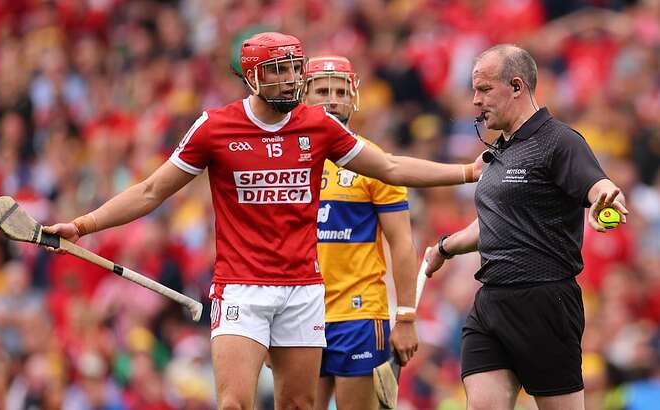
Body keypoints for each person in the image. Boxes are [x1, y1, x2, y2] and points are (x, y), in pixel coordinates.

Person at [45, 32, 483, 410]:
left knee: (297, 404)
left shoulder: (317, 126)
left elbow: (389, 167)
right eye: (279, 71)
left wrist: (466, 171)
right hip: (241, 288)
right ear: (253, 77)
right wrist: (83, 225)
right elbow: (150, 191)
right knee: (234, 402)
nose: (292, 79)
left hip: (303, 291)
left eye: (295, 69)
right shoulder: (214, 128)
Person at [424, 44, 629, 410]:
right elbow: (495, 222)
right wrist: (444, 247)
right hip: (490, 300)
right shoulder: (500, 150)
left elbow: (600, 187)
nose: (475, 101)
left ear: (517, 86)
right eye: (474, 90)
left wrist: (606, 201)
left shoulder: (558, 141)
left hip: (544, 302)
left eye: (484, 89)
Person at [303, 56, 418, 410]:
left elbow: (401, 243)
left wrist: (407, 317)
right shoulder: (285, 161)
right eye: (322, 90)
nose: (332, 99)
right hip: (300, 313)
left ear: (353, 97)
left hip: (359, 313)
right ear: (303, 95)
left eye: (340, 91)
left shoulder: (373, 161)